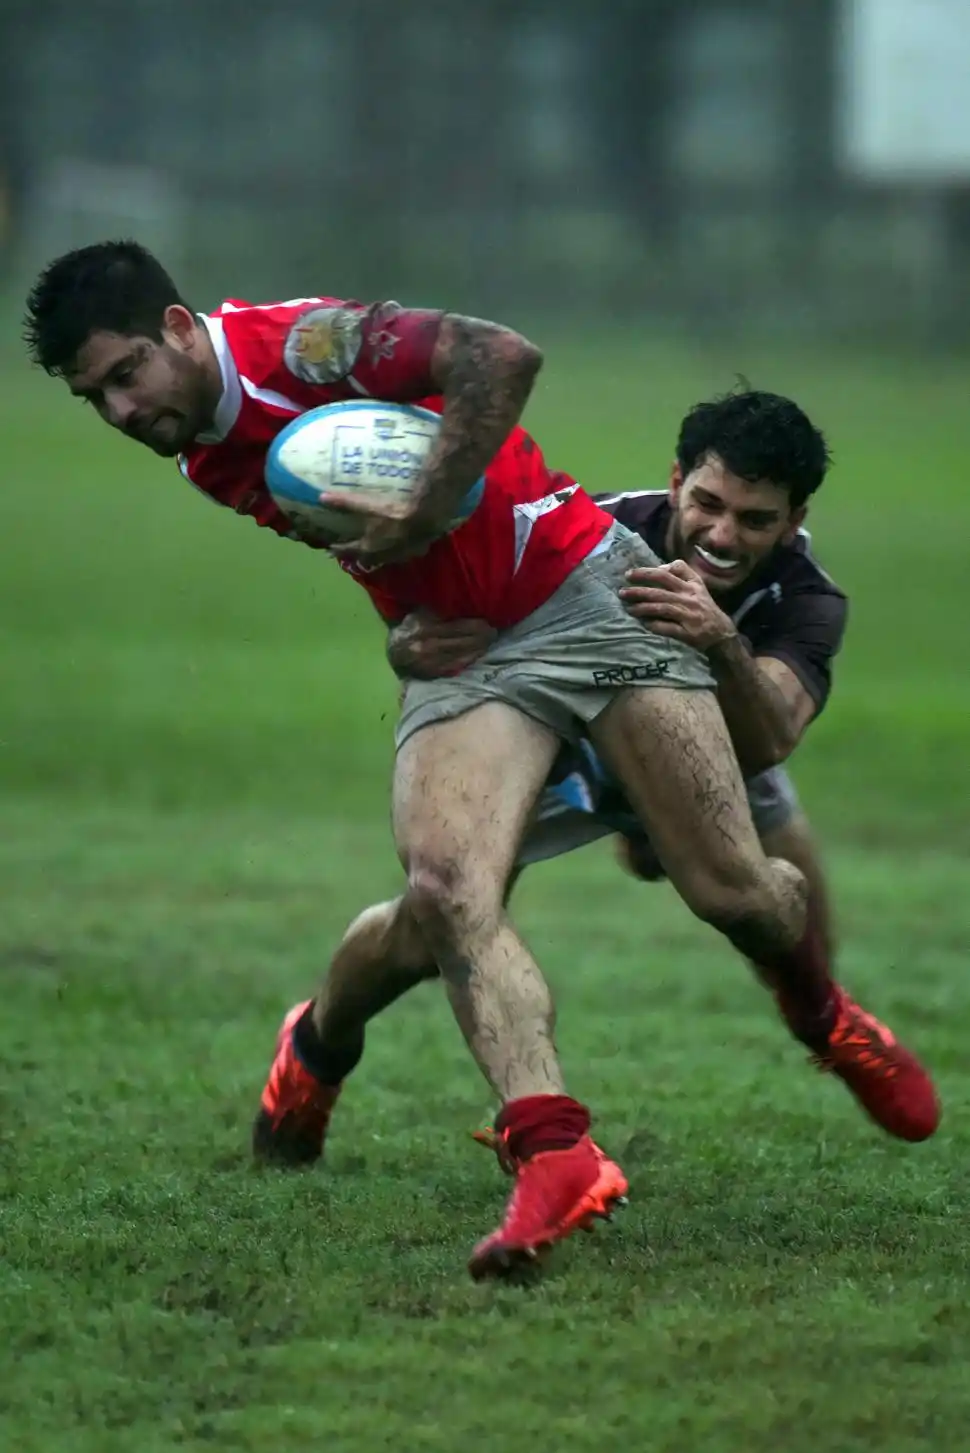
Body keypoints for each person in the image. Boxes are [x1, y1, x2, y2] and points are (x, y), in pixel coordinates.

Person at [24, 242, 845, 1280]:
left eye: (126, 373)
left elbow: (501, 357)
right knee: (446, 888)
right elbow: (362, 542)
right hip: (472, 655)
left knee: (736, 892)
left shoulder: (309, 350)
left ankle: (815, 1003)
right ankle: (553, 1152)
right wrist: (404, 628)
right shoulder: (195, 444)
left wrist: (419, 514)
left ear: (180, 330)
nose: (120, 412)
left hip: (588, 595)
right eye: (93, 396)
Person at [254, 391, 940, 1198]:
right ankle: (316, 1047)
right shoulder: (584, 532)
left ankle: (821, 1013)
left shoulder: (804, 597)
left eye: (755, 520)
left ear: (793, 521)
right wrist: (407, 639)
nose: (722, 536)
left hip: (718, 744)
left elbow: (766, 741)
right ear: (676, 479)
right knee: (428, 925)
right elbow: (443, 623)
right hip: (559, 754)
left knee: (772, 892)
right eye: (708, 504)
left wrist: (721, 640)